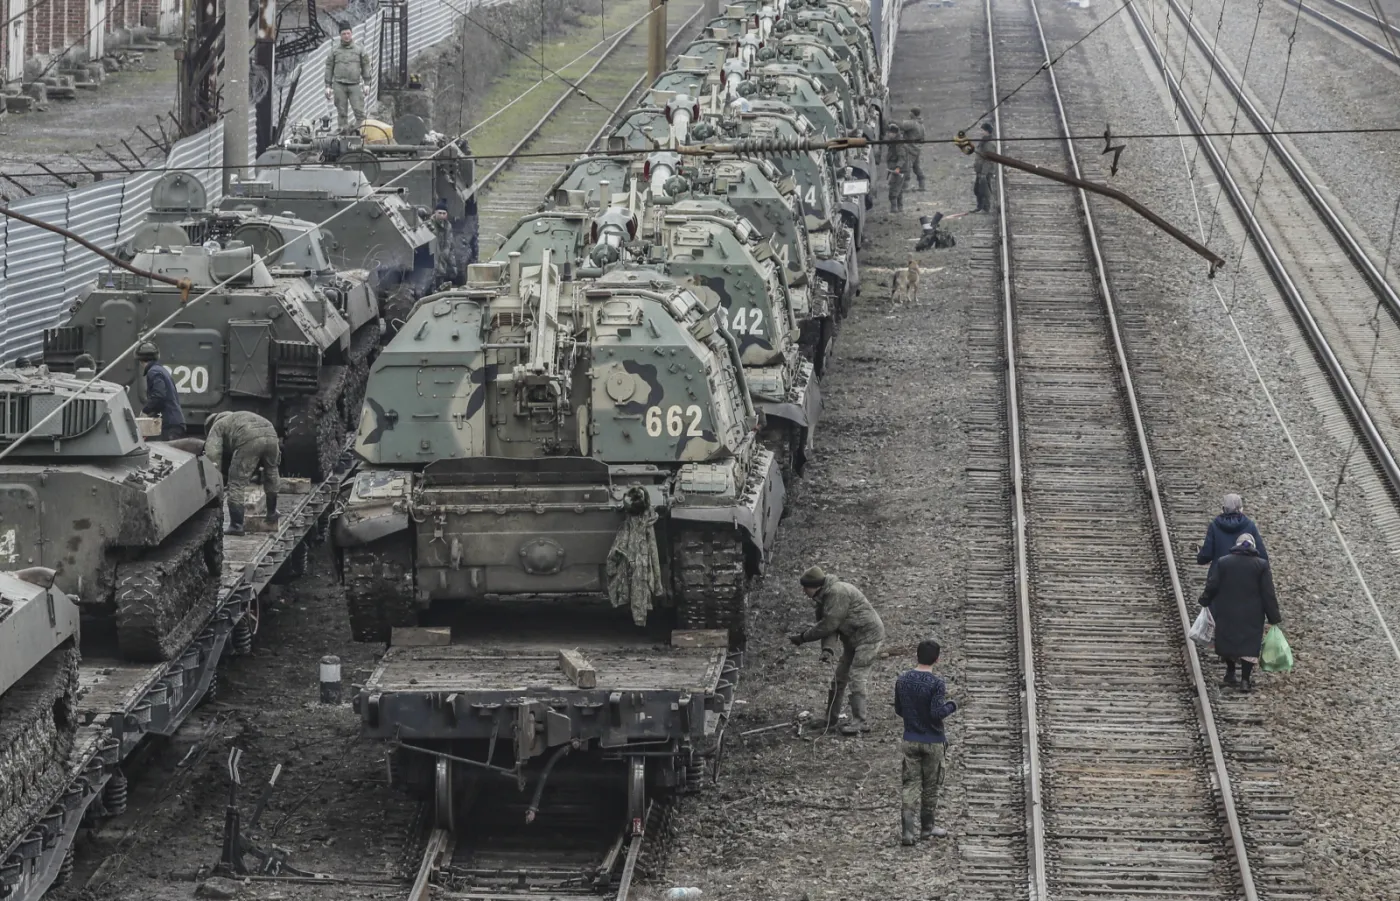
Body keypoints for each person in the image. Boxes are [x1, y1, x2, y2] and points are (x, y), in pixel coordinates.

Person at [788, 566, 886, 735]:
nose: (804, 591)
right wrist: (827, 649)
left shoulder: (837, 593)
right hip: (853, 639)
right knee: (839, 679)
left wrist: (803, 637)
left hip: (868, 638)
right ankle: (831, 719)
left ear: (815, 586)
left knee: (857, 677)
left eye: (805, 587)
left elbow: (828, 625)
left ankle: (860, 722)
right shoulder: (824, 597)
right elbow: (830, 627)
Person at [1200, 533, 1281, 692]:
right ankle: (1245, 680)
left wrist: (1205, 600)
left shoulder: (1224, 562)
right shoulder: (1261, 565)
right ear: (1253, 546)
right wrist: (1273, 616)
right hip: (1252, 613)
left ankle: (1230, 673)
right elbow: (1268, 593)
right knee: (1249, 645)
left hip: (1227, 610)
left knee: (1227, 641)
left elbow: (1213, 584)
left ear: (1236, 545)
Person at [894, 640, 957, 845]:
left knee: (910, 783)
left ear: (917, 655)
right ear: (937, 659)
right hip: (933, 741)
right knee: (931, 785)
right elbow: (936, 713)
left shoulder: (902, 680)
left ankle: (908, 832)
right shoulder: (936, 683)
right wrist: (952, 706)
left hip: (910, 739)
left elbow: (899, 709)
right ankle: (927, 828)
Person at [203, 411, 281, 536]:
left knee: (236, 483)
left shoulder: (217, 425)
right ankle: (272, 512)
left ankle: (236, 525)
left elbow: (213, 456)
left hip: (250, 438)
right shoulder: (238, 417)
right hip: (271, 433)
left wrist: (214, 479)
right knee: (271, 472)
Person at [324, 26, 372, 135]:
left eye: (348, 33)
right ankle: (343, 135)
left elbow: (366, 66)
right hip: (339, 85)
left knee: (359, 112)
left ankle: (359, 133)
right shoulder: (334, 50)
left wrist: (367, 83)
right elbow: (328, 67)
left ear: (352, 33)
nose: (346, 36)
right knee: (341, 113)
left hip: (355, 85)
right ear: (340, 35)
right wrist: (328, 86)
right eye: (344, 34)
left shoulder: (359, 49)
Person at [1197, 493, 1268, 565]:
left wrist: (1200, 555)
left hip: (1219, 573)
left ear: (1223, 509)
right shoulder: (1249, 525)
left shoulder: (1215, 526)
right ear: (1241, 509)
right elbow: (1261, 555)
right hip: (1245, 573)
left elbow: (1205, 556)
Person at [135, 341, 186, 441]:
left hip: (169, 425)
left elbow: (159, 395)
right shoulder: (161, 370)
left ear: (140, 361)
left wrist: (145, 411)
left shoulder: (153, 372)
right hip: (173, 422)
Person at [901, 108, 926, 192]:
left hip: (909, 149)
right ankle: (922, 185)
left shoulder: (912, 123)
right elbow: (923, 139)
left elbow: (901, 125)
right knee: (916, 167)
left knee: (906, 168)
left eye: (910, 112)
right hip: (917, 149)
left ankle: (905, 187)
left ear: (912, 114)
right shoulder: (921, 125)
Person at [885, 124, 908, 213]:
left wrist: (898, 168)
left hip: (898, 170)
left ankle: (894, 208)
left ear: (893, 133)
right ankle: (900, 207)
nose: (888, 135)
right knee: (899, 188)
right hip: (897, 169)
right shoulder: (895, 141)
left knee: (894, 189)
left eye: (889, 133)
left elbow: (902, 157)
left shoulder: (899, 144)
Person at [972, 122, 995, 213]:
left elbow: (988, 160)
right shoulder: (984, 141)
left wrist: (984, 173)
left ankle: (986, 208)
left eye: (983, 130)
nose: (981, 132)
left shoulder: (989, 144)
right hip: (980, 170)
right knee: (977, 189)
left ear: (987, 132)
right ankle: (980, 207)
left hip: (985, 172)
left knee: (985, 191)